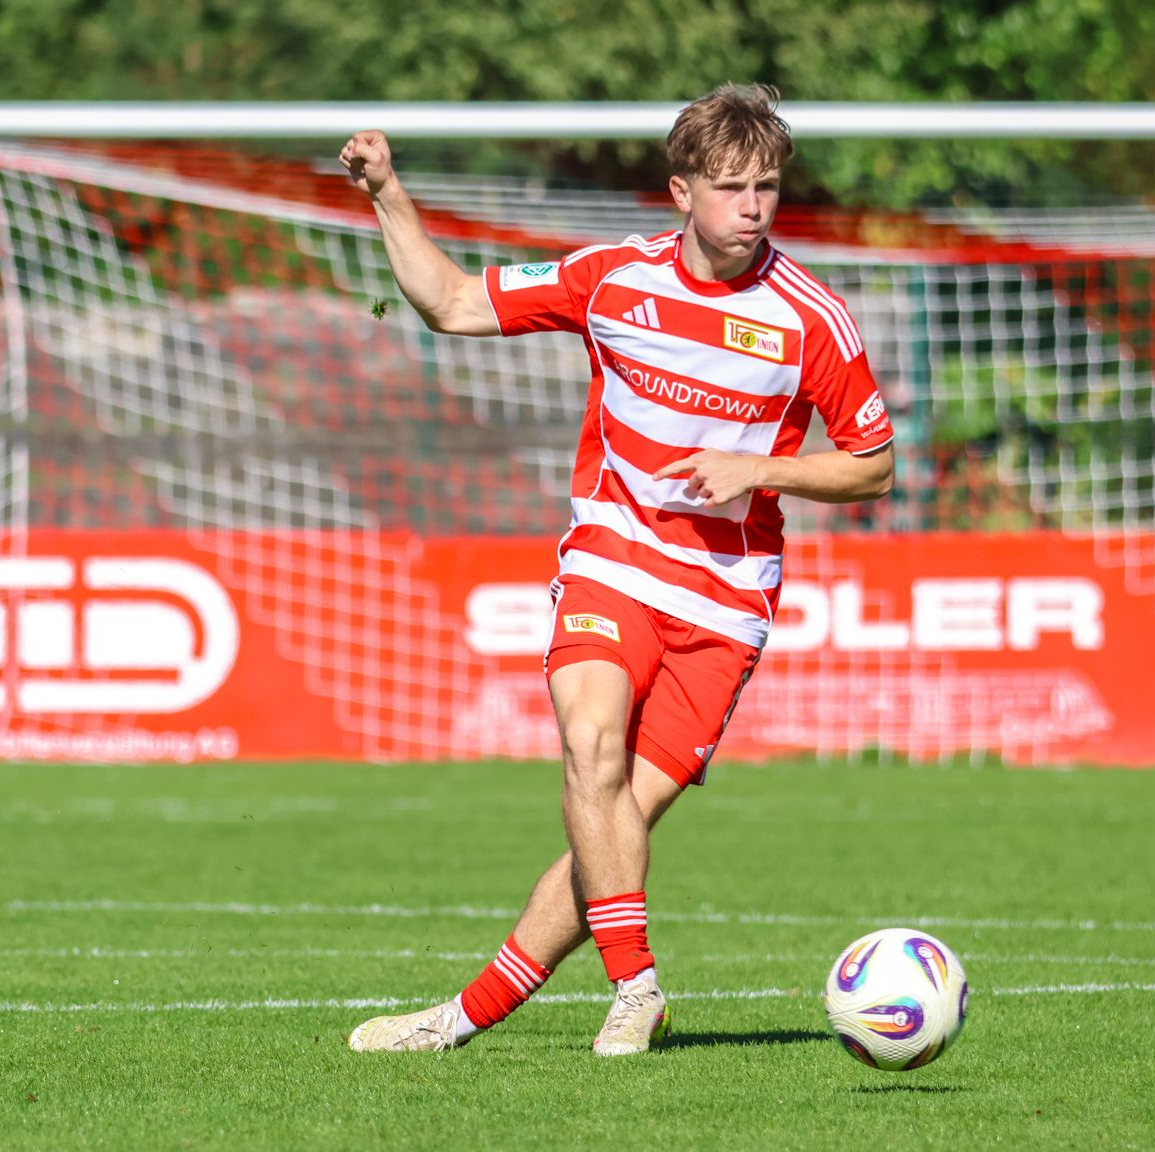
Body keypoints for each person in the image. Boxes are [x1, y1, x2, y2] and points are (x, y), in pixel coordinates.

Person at [339, 85, 895, 1056]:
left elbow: (875, 462)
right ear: (682, 191)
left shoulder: (813, 319)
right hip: (615, 558)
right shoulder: (612, 279)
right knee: (589, 750)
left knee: (616, 826)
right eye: (731, 187)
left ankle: (458, 1019)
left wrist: (763, 467)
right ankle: (635, 989)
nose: (754, 205)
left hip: (726, 601)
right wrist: (386, 190)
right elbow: (454, 303)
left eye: (767, 184)